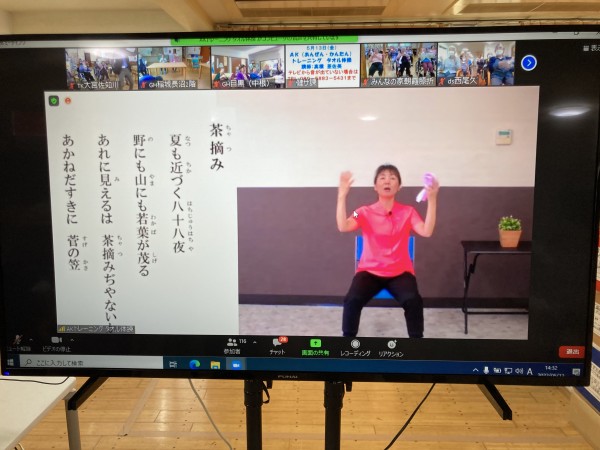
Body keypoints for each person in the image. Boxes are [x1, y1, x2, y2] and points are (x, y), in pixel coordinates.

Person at [336, 164, 439, 338]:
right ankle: (347, 343)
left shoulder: (409, 212)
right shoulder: (362, 212)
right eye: (382, 177)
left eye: (392, 178)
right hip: (369, 272)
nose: (387, 181)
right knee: (352, 300)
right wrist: (342, 196)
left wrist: (432, 199)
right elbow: (343, 225)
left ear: (399, 186)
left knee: (413, 300)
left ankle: (417, 345)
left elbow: (426, 231)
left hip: (400, 272)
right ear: (375, 186)